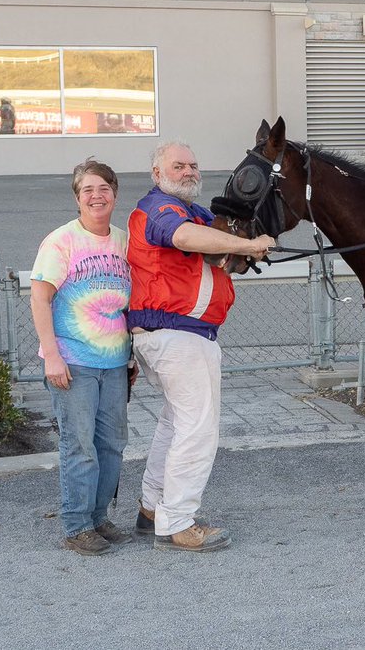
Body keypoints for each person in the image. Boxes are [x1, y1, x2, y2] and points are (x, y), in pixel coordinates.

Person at [127, 141, 275, 552]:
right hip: (176, 334)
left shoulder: (197, 211)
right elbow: (185, 237)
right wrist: (245, 246)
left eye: (193, 165)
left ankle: (153, 509)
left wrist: (241, 249)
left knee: (176, 424)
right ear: (158, 173)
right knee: (198, 428)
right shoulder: (158, 208)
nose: (189, 171)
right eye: (178, 165)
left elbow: (220, 241)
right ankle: (178, 523)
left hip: (182, 336)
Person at [30, 158, 135, 555]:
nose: (96, 196)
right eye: (87, 190)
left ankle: (98, 518)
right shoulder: (61, 241)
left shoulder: (123, 241)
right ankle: (76, 525)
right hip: (73, 363)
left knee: (112, 445)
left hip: (114, 363)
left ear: (114, 194)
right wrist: (51, 356)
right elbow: (40, 298)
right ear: (77, 198)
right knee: (80, 446)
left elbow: (128, 305)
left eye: (103, 188)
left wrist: (131, 354)